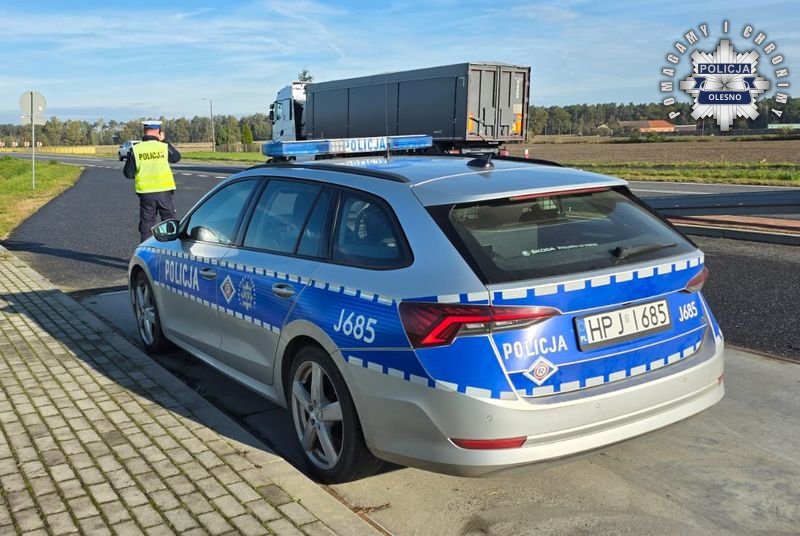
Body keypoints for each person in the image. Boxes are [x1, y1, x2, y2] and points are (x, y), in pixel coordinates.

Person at [123, 120, 181, 242]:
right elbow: (176, 158)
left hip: (146, 194)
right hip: (164, 192)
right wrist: (164, 141)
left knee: (147, 225)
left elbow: (128, 174)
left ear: (144, 132)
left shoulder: (136, 149)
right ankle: (170, 253)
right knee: (169, 224)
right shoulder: (164, 147)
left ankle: (146, 255)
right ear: (158, 132)